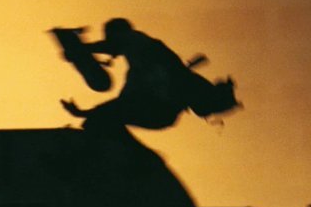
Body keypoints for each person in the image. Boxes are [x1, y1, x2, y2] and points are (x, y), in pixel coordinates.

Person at [60, 18, 239, 131]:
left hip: (157, 108)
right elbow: (118, 107)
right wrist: (82, 113)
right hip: (161, 116)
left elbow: (115, 44)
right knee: (101, 123)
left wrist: (81, 48)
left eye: (109, 37)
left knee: (102, 120)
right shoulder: (138, 72)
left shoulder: (137, 40)